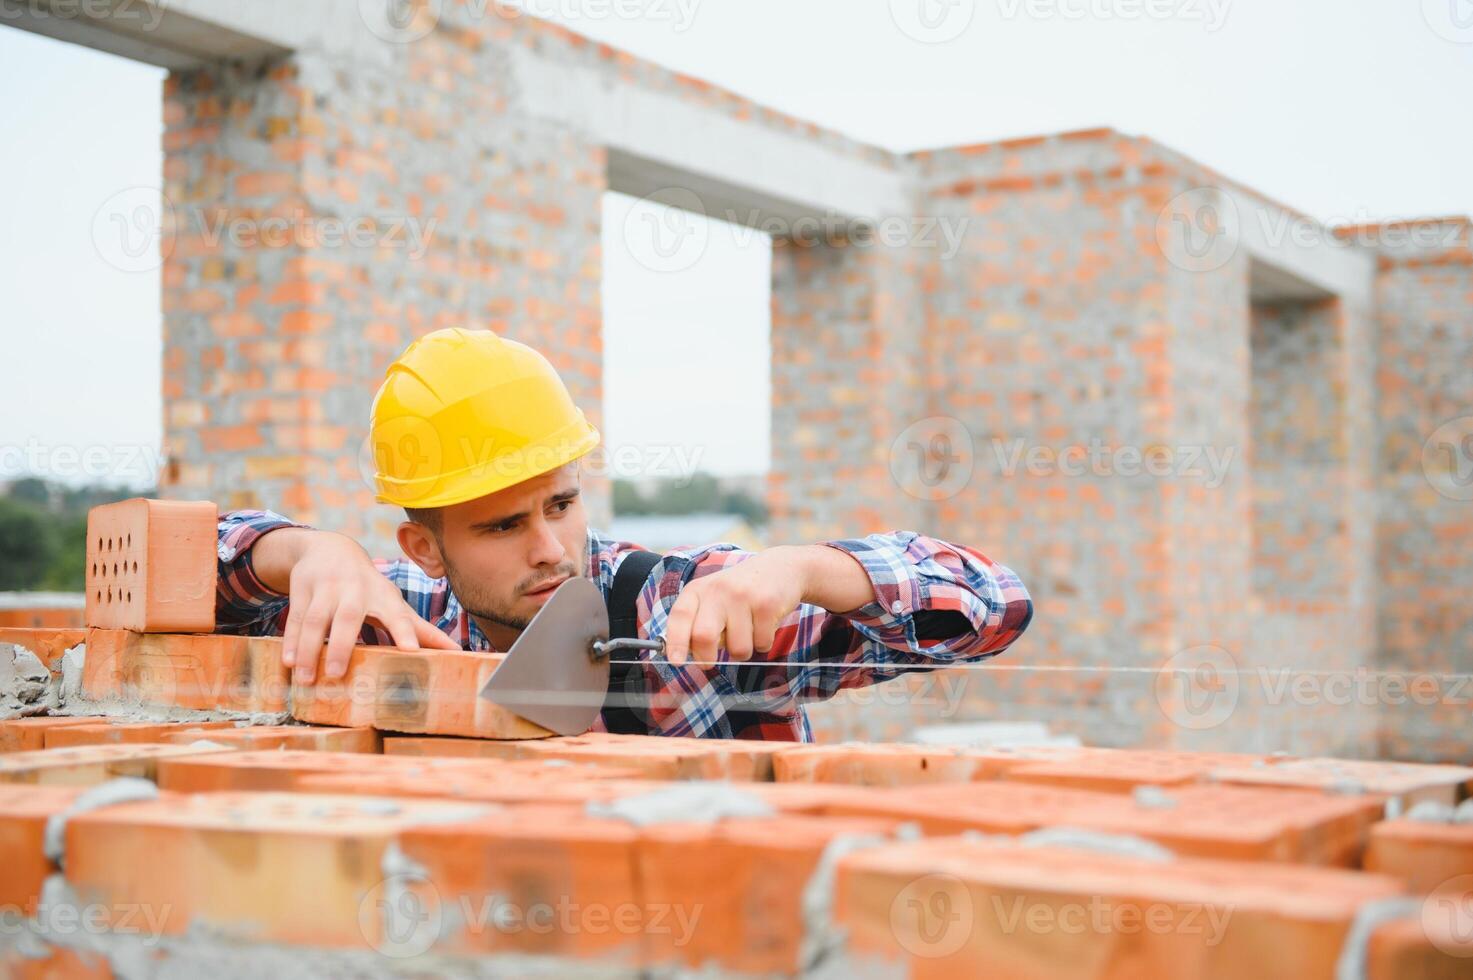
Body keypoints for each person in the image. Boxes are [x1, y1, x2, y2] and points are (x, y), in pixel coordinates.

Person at [215, 328, 1032, 740]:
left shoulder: (689, 611)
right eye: (503, 524)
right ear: (424, 549)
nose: (550, 548)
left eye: (561, 506)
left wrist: (807, 570)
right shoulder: (388, 614)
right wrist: (303, 552)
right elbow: (184, 574)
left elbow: (997, 607)